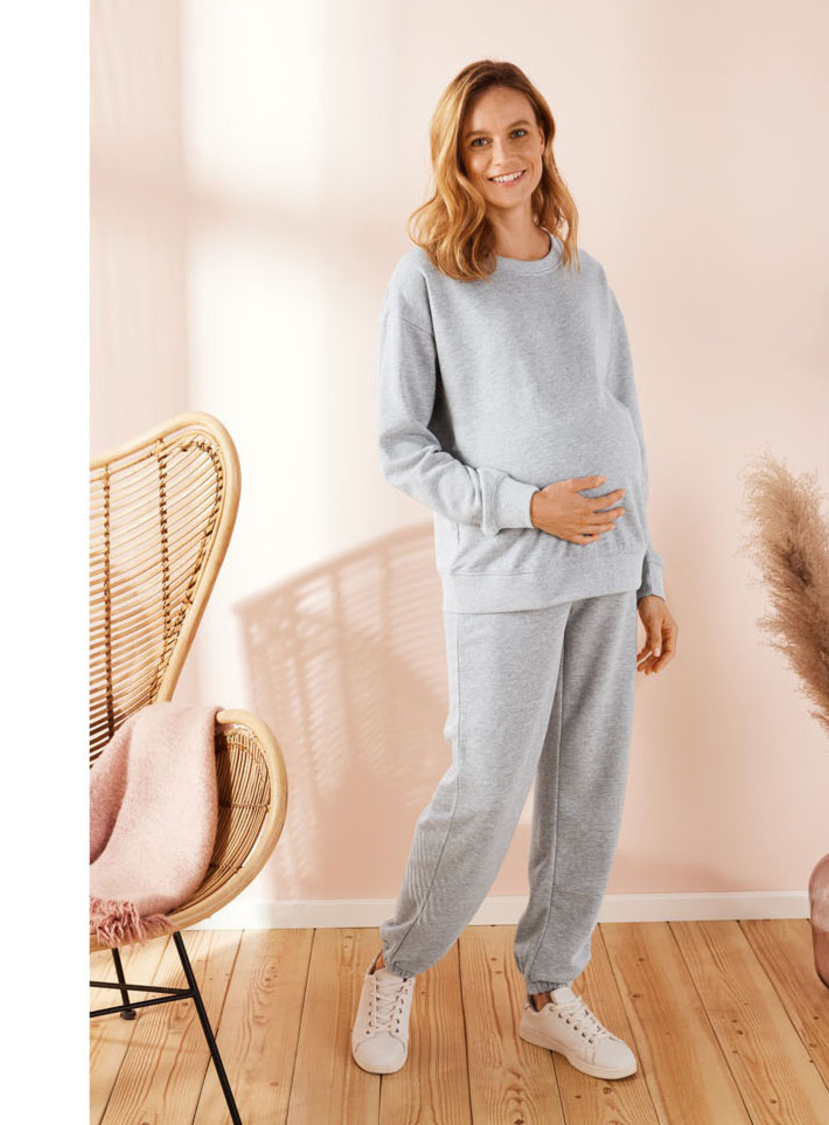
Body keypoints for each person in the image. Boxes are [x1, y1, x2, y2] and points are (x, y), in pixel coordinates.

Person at [354, 59, 680, 1083]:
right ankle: (397, 964)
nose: (503, 157)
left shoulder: (587, 277)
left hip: (606, 570)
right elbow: (403, 447)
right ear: (456, 158)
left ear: (545, 138)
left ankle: (549, 990)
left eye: (518, 133)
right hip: (503, 573)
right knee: (487, 790)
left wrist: (648, 572)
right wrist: (526, 507)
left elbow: (625, 428)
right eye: (479, 141)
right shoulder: (428, 277)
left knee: (588, 791)